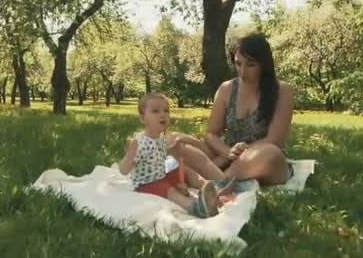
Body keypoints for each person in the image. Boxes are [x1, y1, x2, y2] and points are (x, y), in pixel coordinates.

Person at [185, 32, 296, 185]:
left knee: (271, 153)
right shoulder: (226, 89)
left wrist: (232, 157)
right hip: (227, 152)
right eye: (238, 63)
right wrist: (227, 153)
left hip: (261, 159)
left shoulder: (283, 91)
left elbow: (275, 140)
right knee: (177, 142)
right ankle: (214, 176)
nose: (243, 71)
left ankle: (219, 181)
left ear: (263, 64)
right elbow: (211, 134)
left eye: (250, 65)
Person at [118, 92, 220, 218]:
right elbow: (123, 170)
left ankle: (210, 189)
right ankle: (196, 207)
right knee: (170, 191)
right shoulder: (140, 143)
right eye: (155, 111)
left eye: (166, 110)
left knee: (185, 170)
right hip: (146, 185)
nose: (162, 114)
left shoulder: (161, 137)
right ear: (143, 118)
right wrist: (129, 156)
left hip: (161, 176)